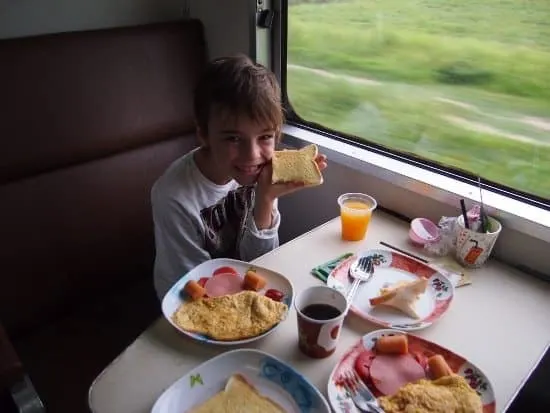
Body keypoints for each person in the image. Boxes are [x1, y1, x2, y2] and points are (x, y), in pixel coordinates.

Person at [151, 54, 327, 300]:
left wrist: (265, 199)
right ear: (203, 134)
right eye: (233, 138)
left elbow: (260, 265)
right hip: (188, 301)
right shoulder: (174, 197)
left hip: (242, 289)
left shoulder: (263, 172)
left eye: (265, 137)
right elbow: (196, 290)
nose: (252, 155)